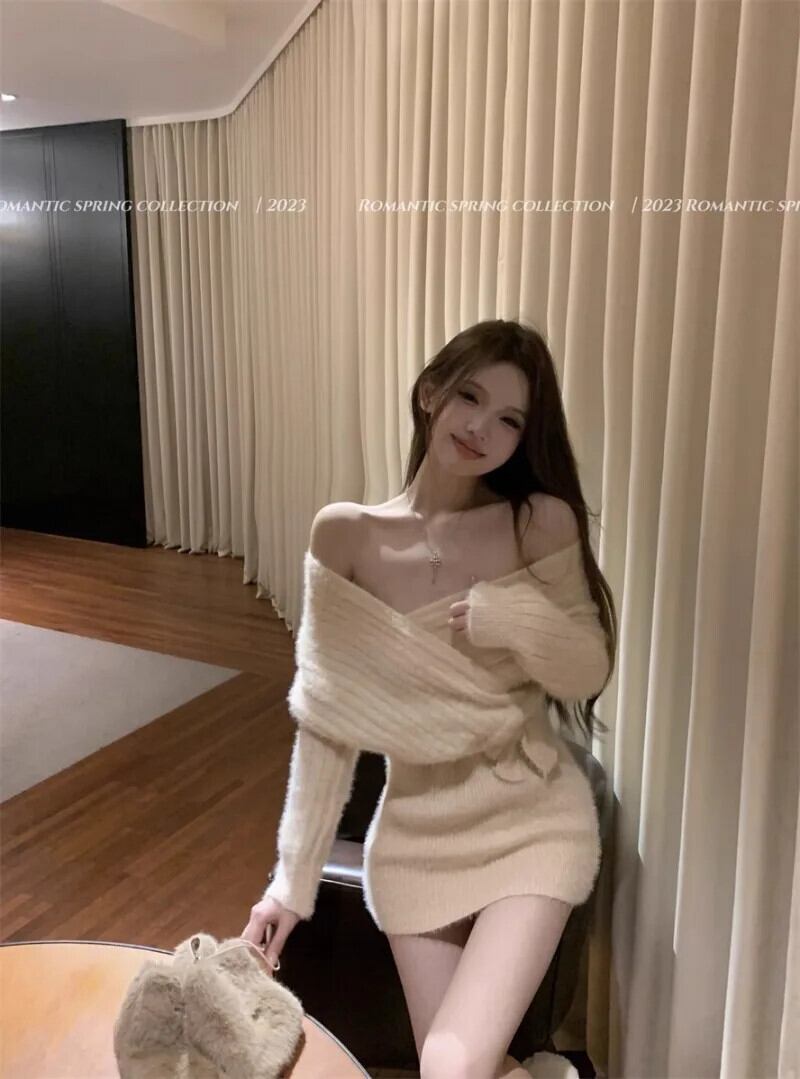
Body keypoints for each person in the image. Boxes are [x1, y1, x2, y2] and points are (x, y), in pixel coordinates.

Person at [241, 318, 617, 1078]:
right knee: (463, 1067)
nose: (481, 428)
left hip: (531, 820)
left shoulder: (537, 521)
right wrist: (291, 883)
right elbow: (327, 726)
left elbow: (586, 668)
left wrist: (512, 619)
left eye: (509, 420)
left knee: (449, 1063)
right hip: (416, 839)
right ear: (430, 393)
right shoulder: (346, 535)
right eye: (469, 397)